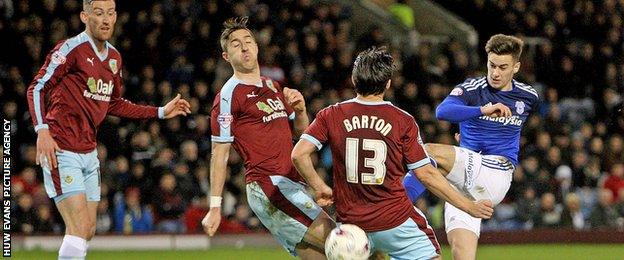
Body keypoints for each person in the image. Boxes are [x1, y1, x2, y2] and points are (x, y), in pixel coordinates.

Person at [291, 47, 493, 260]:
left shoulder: (331, 114)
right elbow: (426, 174)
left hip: (352, 225)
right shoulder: (402, 120)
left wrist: (319, 186)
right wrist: (468, 206)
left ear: (353, 79)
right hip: (395, 221)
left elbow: (299, 154)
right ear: (388, 83)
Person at [26, 1, 191, 259]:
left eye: (110, 13)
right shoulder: (70, 49)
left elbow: (114, 103)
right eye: (99, 13)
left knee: (88, 229)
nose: (105, 19)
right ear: (84, 16)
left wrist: (159, 112)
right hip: (61, 147)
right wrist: (42, 130)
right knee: (79, 228)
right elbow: (37, 87)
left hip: (89, 152)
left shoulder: (114, 58)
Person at [201, 17, 335, 259]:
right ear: (226, 56)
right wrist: (214, 206)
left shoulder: (271, 85)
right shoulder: (228, 96)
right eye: (235, 44)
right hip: (269, 185)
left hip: (292, 183)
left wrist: (302, 110)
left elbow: (300, 135)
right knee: (343, 243)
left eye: (248, 41)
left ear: (257, 47)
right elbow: (219, 153)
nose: (244, 47)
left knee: (326, 256)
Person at [403, 34, 539, 260]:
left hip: (496, 173)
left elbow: (512, 132)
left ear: (516, 67)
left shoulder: (528, 96)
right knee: (462, 256)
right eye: (491, 65)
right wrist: (481, 111)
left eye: (503, 67)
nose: (495, 73)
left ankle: (394, 208)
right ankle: (397, 207)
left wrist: (470, 145)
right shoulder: (473, 89)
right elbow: (442, 112)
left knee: (427, 152)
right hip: (462, 187)